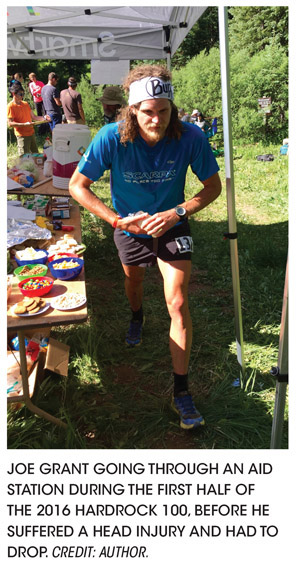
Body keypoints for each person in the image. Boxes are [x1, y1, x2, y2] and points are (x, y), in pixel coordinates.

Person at [69, 64, 222, 430]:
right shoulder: (111, 136)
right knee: (133, 281)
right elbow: (78, 185)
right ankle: (137, 315)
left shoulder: (189, 137)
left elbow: (213, 188)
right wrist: (117, 221)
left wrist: (177, 212)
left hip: (172, 225)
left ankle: (181, 393)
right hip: (130, 227)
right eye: (148, 112)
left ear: (173, 108)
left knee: (179, 301)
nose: (156, 121)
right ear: (133, 110)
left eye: (164, 111)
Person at [7, 84, 44, 156]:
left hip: (31, 133)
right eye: (20, 94)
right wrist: (24, 124)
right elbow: (10, 123)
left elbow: (34, 117)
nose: (22, 96)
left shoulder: (25, 104)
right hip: (22, 136)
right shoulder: (10, 106)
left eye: (23, 94)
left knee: (36, 156)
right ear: (13, 93)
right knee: (24, 159)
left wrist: (45, 118)